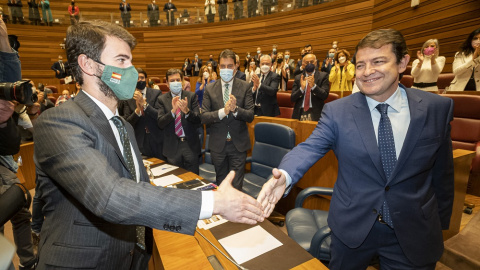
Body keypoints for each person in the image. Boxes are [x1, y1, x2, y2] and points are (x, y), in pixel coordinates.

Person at [33, 21, 264, 270]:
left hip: (134, 258)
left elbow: (138, 188)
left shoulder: (123, 125)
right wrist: (214, 203)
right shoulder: (59, 121)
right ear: (88, 65)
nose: (131, 71)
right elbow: (110, 195)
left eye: (131, 61)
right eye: (121, 60)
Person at [258, 29, 455, 270]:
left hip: (414, 230)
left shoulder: (437, 108)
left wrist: (439, 224)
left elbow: (443, 174)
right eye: (360, 65)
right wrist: (285, 176)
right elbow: (310, 147)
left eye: (378, 61)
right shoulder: (338, 111)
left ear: (403, 62)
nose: (367, 71)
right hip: (352, 230)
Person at [0, 18, 37, 270]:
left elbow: (12, 86)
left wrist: (3, 39)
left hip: (3, 157)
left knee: (19, 209)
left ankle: (29, 261)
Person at [201, 49, 254, 190]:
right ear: (218, 67)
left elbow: (250, 115)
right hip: (218, 145)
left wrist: (235, 109)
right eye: (223, 66)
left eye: (229, 66)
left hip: (238, 145)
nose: (226, 69)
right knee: (221, 185)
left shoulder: (245, 87)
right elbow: (204, 117)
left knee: (236, 187)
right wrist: (222, 112)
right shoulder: (210, 88)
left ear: (236, 66)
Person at [157, 69, 201, 174]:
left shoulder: (191, 96)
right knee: (176, 181)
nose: (175, 83)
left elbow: (199, 121)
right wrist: (172, 111)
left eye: (178, 80)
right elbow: (160, 123)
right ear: (167, 84)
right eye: (172, 81)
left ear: (182, 82)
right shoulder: (161, 99)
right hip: (172, 147)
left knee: (193, 181)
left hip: (190, 145)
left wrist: (187, 111)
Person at [122, 68, 165, 161]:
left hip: (156, 138)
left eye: (142, 78)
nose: (139, 80)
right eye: (137, 78)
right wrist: (137, 111)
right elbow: (127, 122)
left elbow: (159, 115)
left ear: (146, 79)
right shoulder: (128, 97)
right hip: (139, 140)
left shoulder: (156, 93)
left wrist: (145, 105)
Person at [291, 53, 329, 121]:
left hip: (316, 113)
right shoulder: (298, 77)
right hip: (300, 112)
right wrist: (301, 89)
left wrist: (314, 86)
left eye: (311, 62)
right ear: (303, 64)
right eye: (306, 62)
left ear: (316, 63)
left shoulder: (323, 76)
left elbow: (324, 95)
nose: (309, 64)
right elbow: (292, 98)